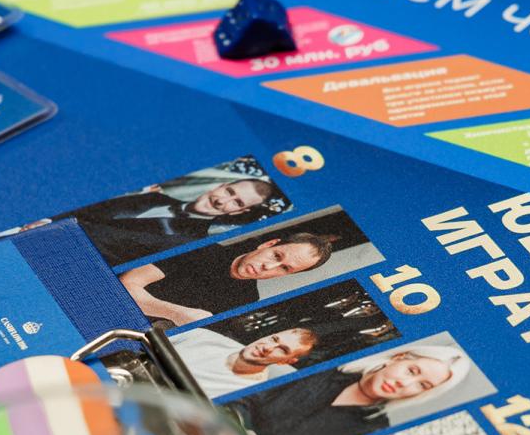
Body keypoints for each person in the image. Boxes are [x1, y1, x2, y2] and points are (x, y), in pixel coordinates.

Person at [234, 344, 472, 435]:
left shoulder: (373, 429)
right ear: (398, 357)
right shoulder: (325, 363)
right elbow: (243, 394)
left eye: (422, 385)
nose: (405, 384)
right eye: (412, 371)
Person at [118, 231, 339, 326]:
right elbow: (126, 285)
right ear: (268, 244)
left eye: (284, 268)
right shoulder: (200, 248)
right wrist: (177, 313)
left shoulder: (246, 300)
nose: (268, 267)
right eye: (276, 256)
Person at [76, 170, 288, 264]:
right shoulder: (153, 195)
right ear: (221, 185)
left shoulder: (189, 242)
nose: (222, 201)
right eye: (229, 192)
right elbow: (85, 211)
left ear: (239, 212)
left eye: (237, 203)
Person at [174, 326, 317, 397]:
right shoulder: (203, 336)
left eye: (282, 350)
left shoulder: (247, 396)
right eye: (273, 339)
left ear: (286, 361)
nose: (267, 347)